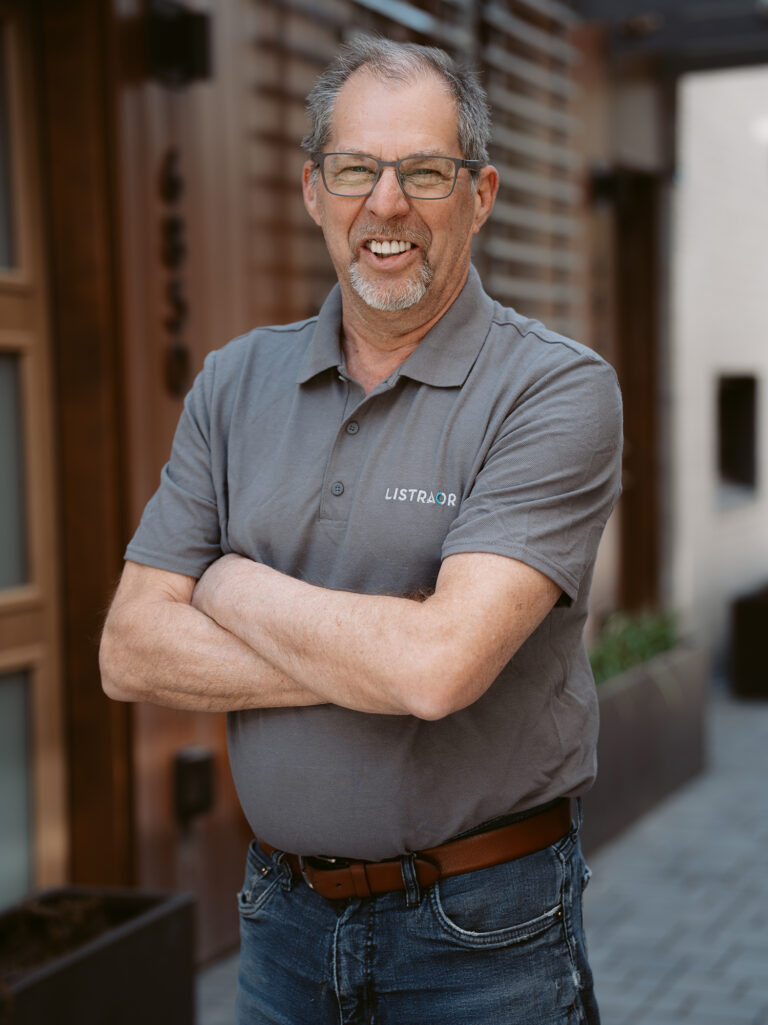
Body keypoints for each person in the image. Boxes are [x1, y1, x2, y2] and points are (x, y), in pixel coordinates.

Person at [100, 35, 621, 1025]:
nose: (386, 205)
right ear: (313, 190)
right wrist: (387, 654)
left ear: (483, 192)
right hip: (281, 926)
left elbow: (437, 671)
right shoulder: (234, 381)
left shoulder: (553, 389)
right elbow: (130, 649)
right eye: (355, 169)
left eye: (425, 171)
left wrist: (227, 583)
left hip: (485, 937)